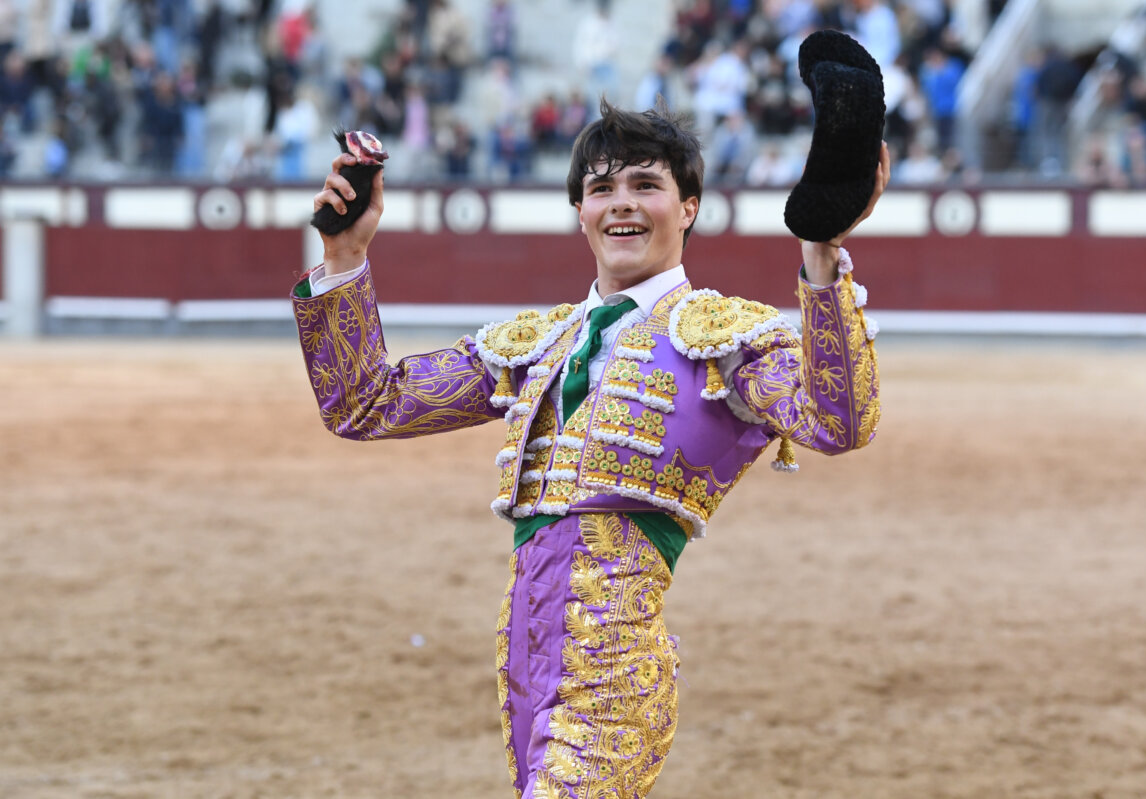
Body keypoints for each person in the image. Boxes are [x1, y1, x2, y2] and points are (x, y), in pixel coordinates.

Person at [291, 99, 886, 798]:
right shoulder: (539, 342)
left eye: (645, 185)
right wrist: (346, 255)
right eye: (601, 188)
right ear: (580, 210)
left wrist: (820, 257)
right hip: (524, 663)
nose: (621, 204)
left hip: (614, 658)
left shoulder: (724, 338)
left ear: (688, 207)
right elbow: (367, 403)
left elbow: (838, 419)